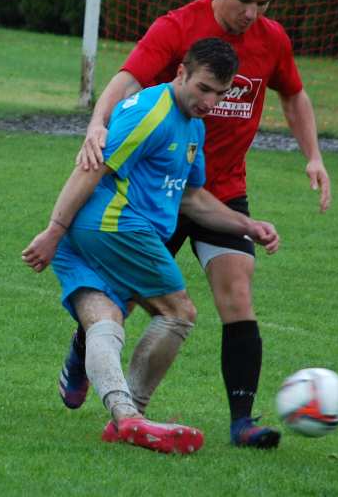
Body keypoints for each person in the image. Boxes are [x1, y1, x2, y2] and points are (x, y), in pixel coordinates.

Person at [59, 0, 331, 450]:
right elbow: (128, 78)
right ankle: (85, 346)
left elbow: (293, 93)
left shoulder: (271, 41)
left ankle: (241, 422)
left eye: (264, 4)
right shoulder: (177, 27)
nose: (252, 14)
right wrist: (97, 123)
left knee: (237, 294)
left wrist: (312, 155)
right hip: (155, 192)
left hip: (218, 192)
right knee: (128, 298)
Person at [22, 38, 280, 454]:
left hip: (88, 233)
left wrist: (245, 224)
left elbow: (192, 198)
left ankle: (124, 419)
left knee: (104, 320)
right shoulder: (151, 111)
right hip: (117, 226)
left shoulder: (194, 126)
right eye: (203, 88)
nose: (210, 101)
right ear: (181, 73)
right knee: (179, 312)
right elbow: (93, 168)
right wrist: (52, 230)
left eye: (220, 93)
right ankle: (134, 413)